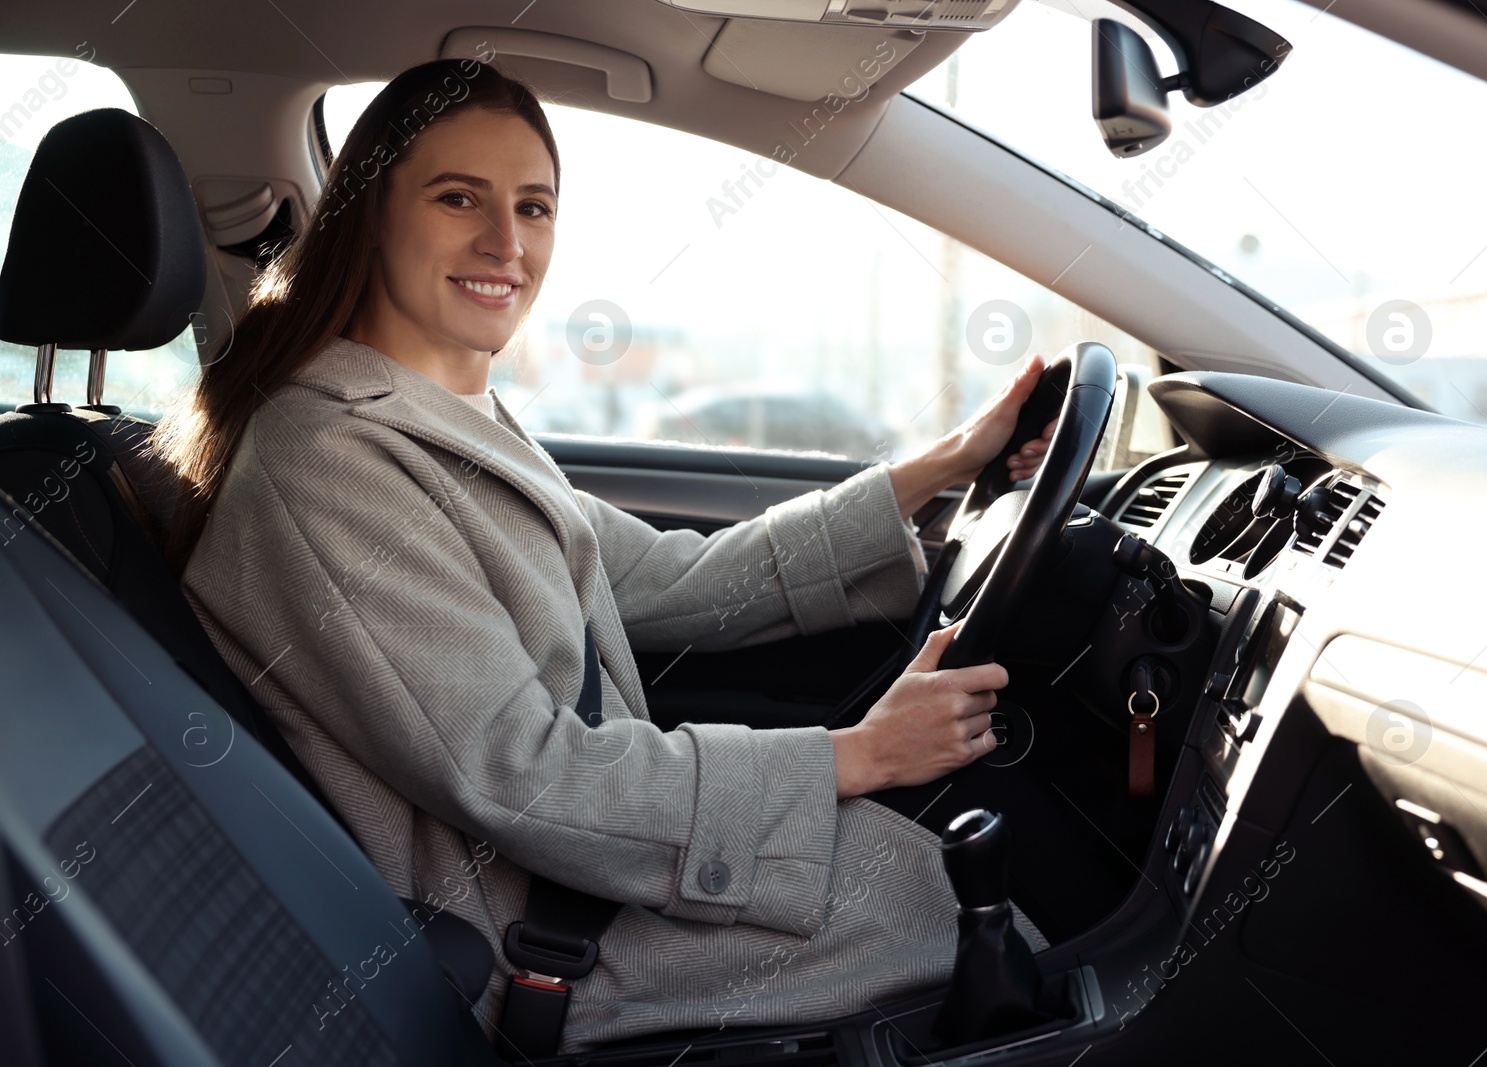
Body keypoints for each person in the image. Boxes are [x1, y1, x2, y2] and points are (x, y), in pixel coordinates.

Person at [156, 57, 1061, 1053]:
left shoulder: (441, 416)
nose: (506, 242)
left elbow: (672, 576)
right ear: (368, 214)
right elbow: (518, 776)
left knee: (943, 883)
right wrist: (855, 754)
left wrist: (946, 462)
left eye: (533, 208)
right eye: (460, 198)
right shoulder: (326, 459)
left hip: (572, 871)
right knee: (962, 925)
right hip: (522, 936)